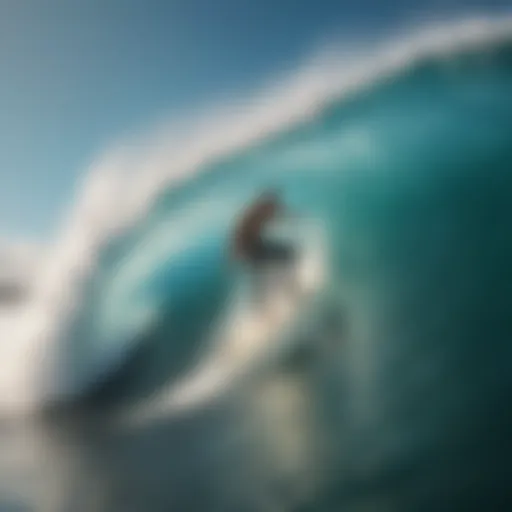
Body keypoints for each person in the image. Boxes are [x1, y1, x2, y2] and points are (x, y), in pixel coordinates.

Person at [230, 189, 296, 269]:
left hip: (253, 247)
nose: (274, 211)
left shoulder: (257, 212)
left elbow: (281, 215)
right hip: (249, 252)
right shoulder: (256, 217)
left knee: (286, 251)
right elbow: (241, 241)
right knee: (286, 253)